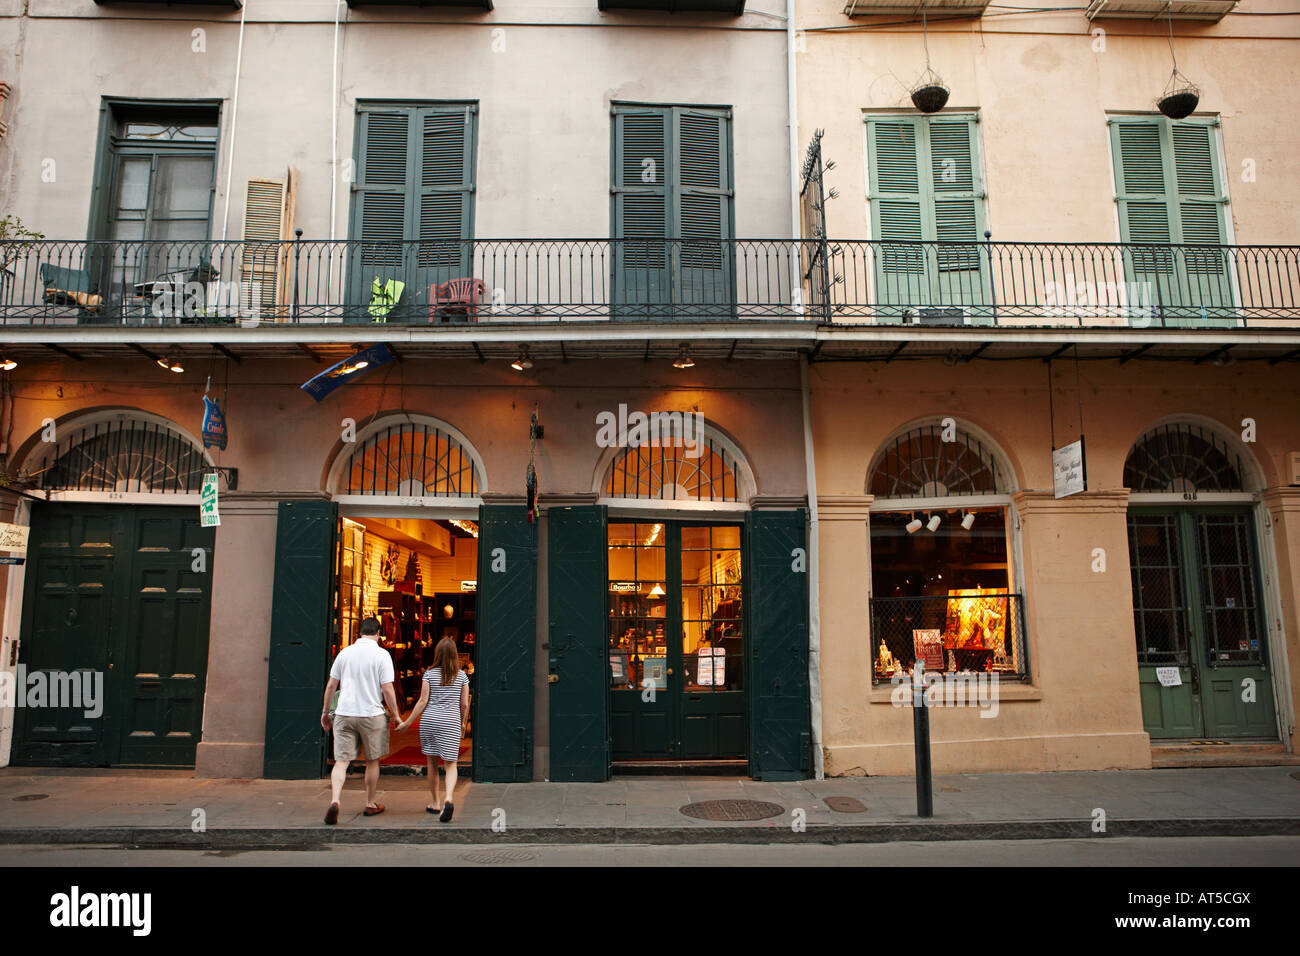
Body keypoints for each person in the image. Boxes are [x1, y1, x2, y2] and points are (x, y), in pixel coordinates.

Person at [320, 617, 403, 825]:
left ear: (359, 633)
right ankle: (370, 802)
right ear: (378, 633)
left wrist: (325, 712)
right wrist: (396, 714)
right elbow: (387, 688)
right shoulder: (382, 655)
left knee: (341, 761)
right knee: (372, 760)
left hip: (345, 712)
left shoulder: (345, 653)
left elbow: (331, 685)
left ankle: (335, 800)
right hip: (371, 714)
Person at [396, 637, 468, 822]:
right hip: (450, 721)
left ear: (437, 654)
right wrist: (461, 723)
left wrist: (407, 722)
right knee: (451, 764)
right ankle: (449, 798)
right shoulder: (461, 676)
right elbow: (464, 704)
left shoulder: (429, 675)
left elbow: (422, 701)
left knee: (432, 764)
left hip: (430, 721)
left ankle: (435, 803)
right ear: (454, 655)